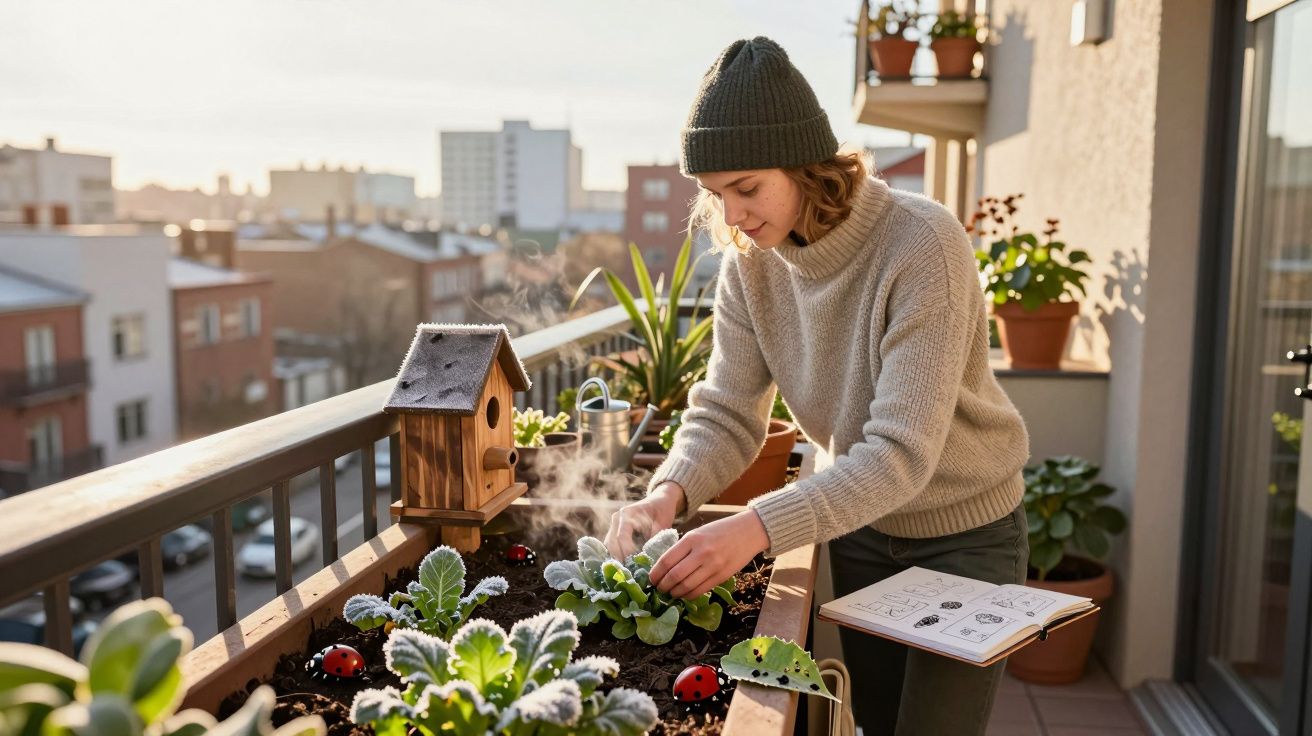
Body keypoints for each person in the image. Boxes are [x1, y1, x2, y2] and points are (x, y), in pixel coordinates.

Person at [601, 37, 1032, 736]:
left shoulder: (923, 245)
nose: (731, 217)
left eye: (747, 188)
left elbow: (900, 454)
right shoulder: (751, 266)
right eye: (715, 195)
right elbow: (727, 412)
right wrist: (667, 494)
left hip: (964, 537)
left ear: (809, 166)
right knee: (878, 724)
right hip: (861, 530)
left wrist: (754, 528)